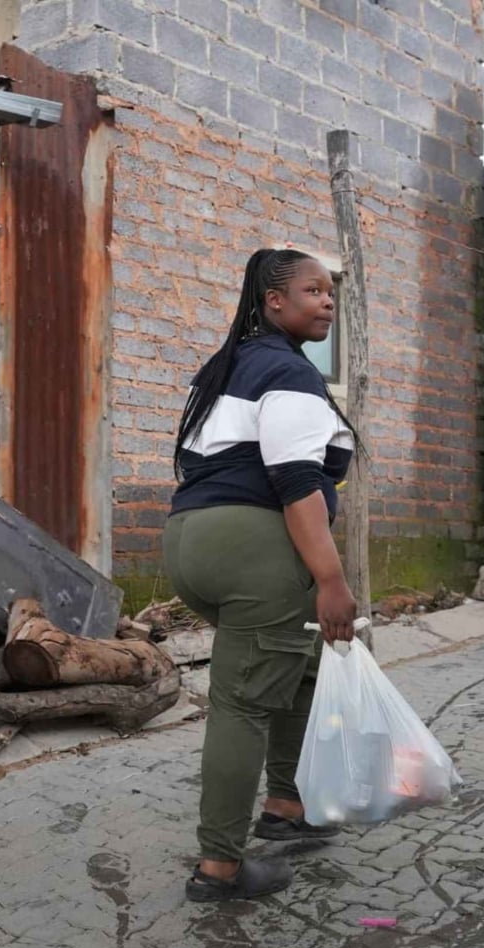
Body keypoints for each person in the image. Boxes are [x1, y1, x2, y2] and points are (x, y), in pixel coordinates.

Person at [164, 248, 360, 902]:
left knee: (298, 660)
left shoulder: (224, 369)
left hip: (191, 539)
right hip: (255, 546)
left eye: (330, 291)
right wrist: (330, 578)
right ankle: (219, 865)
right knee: (242, 701)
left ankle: (287, 803)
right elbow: (297, 481)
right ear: (274, 300)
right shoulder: (289, 376)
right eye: (312, 289)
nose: (326, 300)